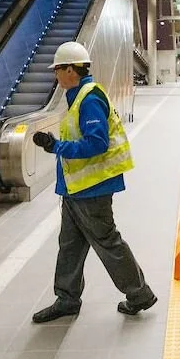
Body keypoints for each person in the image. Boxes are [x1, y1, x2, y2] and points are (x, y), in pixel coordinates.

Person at [30, 41, 157, 323]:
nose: (56, 75)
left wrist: (56, 146)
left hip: (92, 188)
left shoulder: (89, 99)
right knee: (70, 245)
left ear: (72, 70)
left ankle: (139, 294)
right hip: (76, 188)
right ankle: (67, 298)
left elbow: (96, 144)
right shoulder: (77, 96)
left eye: (59, 69)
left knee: (107, 242)